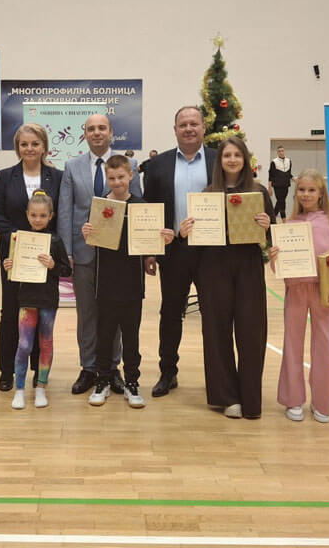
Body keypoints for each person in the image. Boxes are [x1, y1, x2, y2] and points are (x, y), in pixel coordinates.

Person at [179, 136, 273, 418]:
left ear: (245, 160)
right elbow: (196, 241)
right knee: (216, 331)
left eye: (237, 155)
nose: (232, 160)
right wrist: (185, 232)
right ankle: (227, 397)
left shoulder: (258, 192)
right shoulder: (207, 194)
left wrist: (268, 226)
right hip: (214, 266)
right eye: (227, 155)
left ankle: (251, 399)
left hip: (248, 266)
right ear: (219, 162)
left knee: (251, 331)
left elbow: (271, 238)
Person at [58, 114, 142, 395]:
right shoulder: (72, 166)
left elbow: (137, 209)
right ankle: (89, 367)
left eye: (101, 128)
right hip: (83, 253)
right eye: (91, 129)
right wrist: (67, 252)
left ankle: (112, 368)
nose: (96, 132)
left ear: (111, 132)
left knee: (114, 314)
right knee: (87, 314)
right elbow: (66, 210)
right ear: (84, 134)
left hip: (117, 258)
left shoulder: (129, 166)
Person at [82, 156, 174, 409]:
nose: (117, 182)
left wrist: (162, 240)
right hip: (105, 283)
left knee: (131, 337)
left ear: (131, 176)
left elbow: (150, 245)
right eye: (112, 178)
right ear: (107, 178)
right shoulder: (101, 206)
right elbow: (93, 242)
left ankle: (132, 383)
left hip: (133, 284)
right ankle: (102, 380)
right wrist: (87, 234)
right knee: (104, 335)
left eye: (121, 177)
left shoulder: (142, 207)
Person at [269, 169, 329, 423]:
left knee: (326, 348)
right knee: (292, 345)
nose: (306, 194)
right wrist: (275, 258)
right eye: (302, 189)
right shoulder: (288, 224)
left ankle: (322, 402)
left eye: (311, 190)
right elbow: (279, 269)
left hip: (325, 292)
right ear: (295, 192)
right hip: (296, 291)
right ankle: (293, 399)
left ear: (321, 193)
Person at [140, 106, 216, 398]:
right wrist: (150, 251)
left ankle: (217, 377)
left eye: (194, 123)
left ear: (203, 127)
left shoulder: (218, 160)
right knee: (171, 313)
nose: (188, 129)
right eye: (183, 124)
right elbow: (149, 210)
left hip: (211, 253)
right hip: (173, 252)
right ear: (175, 130)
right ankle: (167, 372)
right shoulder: (157, 166)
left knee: (214, 315)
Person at [0, 123, 62, 392]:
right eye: (24, 144)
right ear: (17, 147)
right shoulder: (4, 177)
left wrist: (53, 248)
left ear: (44, 147)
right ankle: (7, 370)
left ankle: (36, 371)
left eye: (35, 144)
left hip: (44, 258)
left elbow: (61, 216)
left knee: (40, 311)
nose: (29, 148)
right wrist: (18, 240)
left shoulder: (58, 177)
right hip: (14, 255)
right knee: (11, 312)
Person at [1, 190, 71, 410]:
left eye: (42, 215)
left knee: (45, 343)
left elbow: (67, 270)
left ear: (50, 216)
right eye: (33, 215)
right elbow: (13, 271)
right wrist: (8, 266)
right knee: (24, 345)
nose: (38, 219)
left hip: (48, 300)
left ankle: (41, 387)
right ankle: (19, 389)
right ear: (27, 215)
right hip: (27, 299)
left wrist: (53, 265)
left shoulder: (56, 241)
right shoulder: (19, 239)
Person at [268, 146, 293, 220]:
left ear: (284, 151)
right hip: (277, 185)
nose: (281, 152)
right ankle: (284, 219)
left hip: (286, 184)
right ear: (277, 152)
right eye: (279, 151)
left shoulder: (289, 161)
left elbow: (289, 173)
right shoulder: (274, 162)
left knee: (280, 202)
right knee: (281, 201)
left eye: (282, 151)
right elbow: (271, 176)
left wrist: (295, 179)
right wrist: (270, 188)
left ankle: (273, 217)